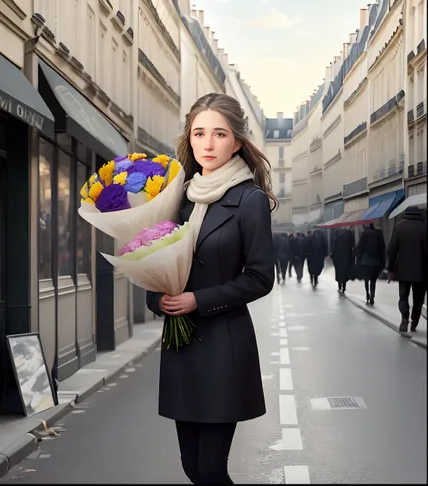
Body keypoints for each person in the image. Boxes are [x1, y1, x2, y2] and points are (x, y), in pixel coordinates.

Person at [146, 93, 276, 485]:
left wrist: (198, 300)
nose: (208, 143)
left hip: (224, 346)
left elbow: (259, 277)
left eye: (219, 134)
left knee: (210, 469)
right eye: (199, 133)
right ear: (190, 139)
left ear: (236, 141)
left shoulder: (249, 200)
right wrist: (159, 299)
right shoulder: (176, 199)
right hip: (181, 349)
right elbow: (152, 262)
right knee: (190, 466)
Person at [387, 205, 427, 333]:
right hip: (421, 272)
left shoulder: (399, 227)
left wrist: (391, 268)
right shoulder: (424, 228)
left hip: (403, 270)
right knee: (418, 299)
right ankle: (414, 321)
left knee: (403, 297)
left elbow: (392, 249)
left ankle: (404, 318)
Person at [356, 223, 386, 305]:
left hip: (365, 260)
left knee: (366, 278)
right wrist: (383, 262)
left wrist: (358, 261)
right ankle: (372, 295)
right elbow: (382, 248)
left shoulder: (364, 234)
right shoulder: (378, 234)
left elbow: (360, 248)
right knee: (373, 280)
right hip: (376, 260)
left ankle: (367, 294)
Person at [330, 227, 355, 293]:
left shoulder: (338, 237)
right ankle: (344, 286)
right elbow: (353, 246)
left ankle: (339, 285)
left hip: (338, 257)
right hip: (347, 257)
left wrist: (332, 255)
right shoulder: (350, 236)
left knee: (339, 271)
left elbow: (334, 247)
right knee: (345, 272)